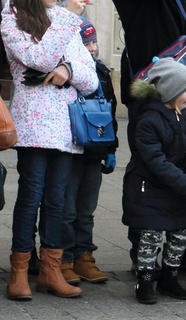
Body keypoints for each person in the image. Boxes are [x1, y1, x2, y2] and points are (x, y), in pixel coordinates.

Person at [112, 0, 186, 274]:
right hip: (151, 90)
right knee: (150, 175)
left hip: (178, 87)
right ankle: (143, 255)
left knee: (182, 165)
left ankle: (179, 252)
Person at [3, 0, 99, 301]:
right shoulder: (12, 16)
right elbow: (40, 58)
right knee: (31, 196)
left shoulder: (62, 17)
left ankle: (51, 269)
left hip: (66, 125)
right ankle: (19, 270)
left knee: (57, 199)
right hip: (33, 122)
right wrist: (70, 19)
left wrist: (67, 69)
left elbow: (91, 76)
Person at [122, 58, 186, 305]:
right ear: (170, 90)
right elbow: (156, 163)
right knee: (151, 235)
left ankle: (170, 278)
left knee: (181, 233)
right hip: (149, 188)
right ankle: (144, 281)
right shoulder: (148, 120)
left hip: (180, 188)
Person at [60, 19, 117, 287]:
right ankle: (64, 259)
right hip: (70, 149)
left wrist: (111, 148)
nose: (92, 48)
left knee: (87, 209)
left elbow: (109, 112)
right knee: (67, 209)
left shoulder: (102, 72)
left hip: (94, 150)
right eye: (86, 43)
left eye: (93, 42)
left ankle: (85, 256)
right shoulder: (68, 72)